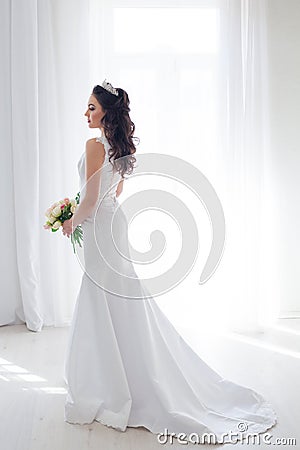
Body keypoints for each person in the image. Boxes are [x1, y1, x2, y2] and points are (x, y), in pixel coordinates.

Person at [61, 80, 277, 444]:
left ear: (106, 112)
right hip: (115, 223)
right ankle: (125, 375)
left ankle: (113, 384)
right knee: (117, 297)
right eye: (87, 107)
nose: (86, 113)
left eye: (92, 108)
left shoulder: (94, 144)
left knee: (105, 296)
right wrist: (82, 212)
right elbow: (116, 191)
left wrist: (70, 220)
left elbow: (94, 198)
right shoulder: (117, 144)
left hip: (102, 226)